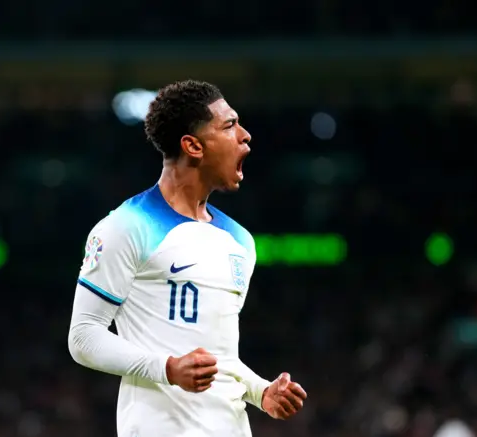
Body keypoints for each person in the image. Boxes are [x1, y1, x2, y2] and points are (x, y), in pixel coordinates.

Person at [68, 79, 307, 437]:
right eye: (229, 125)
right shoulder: (127, 226)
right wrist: (166, 367)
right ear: (193, 145)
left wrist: (260, 391)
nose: (245, 136)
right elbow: (84, 337)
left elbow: (220, 356)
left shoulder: (239, 242)